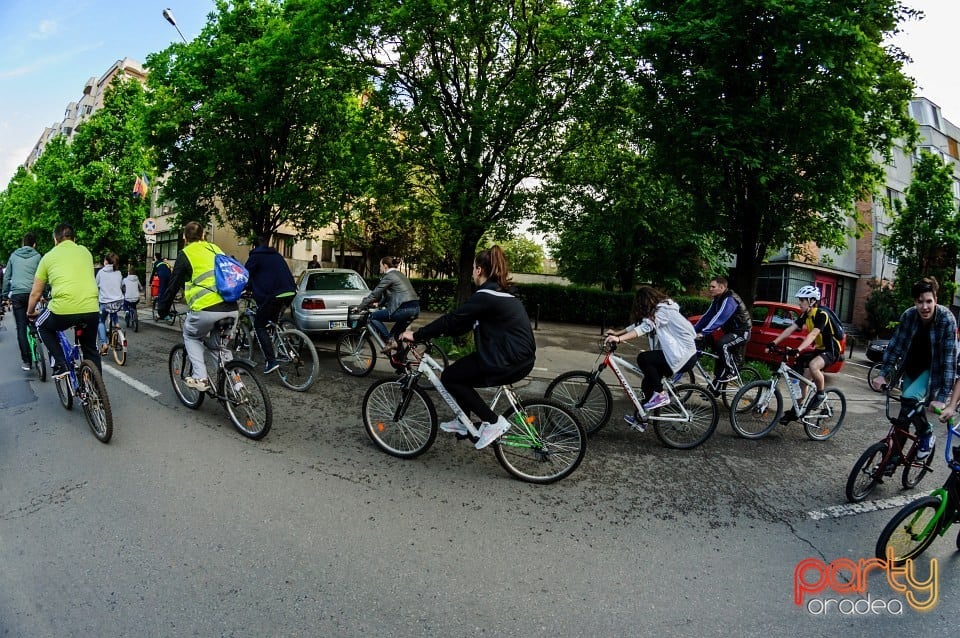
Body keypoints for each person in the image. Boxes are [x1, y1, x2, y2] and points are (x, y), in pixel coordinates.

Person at [400, 246, 535, 450]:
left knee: (450, 377)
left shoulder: (486, 296)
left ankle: (493, 422)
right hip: (514, 358)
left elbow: (452, 319)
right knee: (458, 375)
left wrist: (416, 334)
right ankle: (464, 422)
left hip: (507, 359)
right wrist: (433, 334)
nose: (472, 272)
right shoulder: (498, 293)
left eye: (473, 268)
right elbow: (460, 325)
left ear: (479, 270)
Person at [872, 277, 957, 459]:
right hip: (910, 368)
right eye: (920, 302)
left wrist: (942, 397)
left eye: (929, 301)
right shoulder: (909, 316)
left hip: (932, 371)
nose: (925, 307)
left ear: (936, 299)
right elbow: (896, 345)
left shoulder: (946, 319)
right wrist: (883, 374)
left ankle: (926, 432)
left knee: (910, 399)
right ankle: (891, 460)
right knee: (904, 415)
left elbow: (950, 360)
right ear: (915, 302)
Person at [156, 221, 239, 392]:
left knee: (191, 336)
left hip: (206, 310)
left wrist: (163, 310)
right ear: (203, 235)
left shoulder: (185, 254)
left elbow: (173, 285)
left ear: (185, 238)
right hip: (231, 307)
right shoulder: (216, 249)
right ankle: (236, 384)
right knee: (219, 347)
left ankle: (200, 377)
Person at [605, 286, 698, 418]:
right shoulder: (658, 310)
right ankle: (642, 417)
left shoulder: (663, 311)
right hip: (678, 353)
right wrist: (617, 333)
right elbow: (638, 324)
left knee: (644, 358)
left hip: (684, 355)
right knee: (647, 383)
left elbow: (645, 327)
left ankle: (660, 394)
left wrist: (619, 339)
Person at [26, 223, 101, 376]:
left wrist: (30, 311)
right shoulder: (85, 252)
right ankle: (97, 390)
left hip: (62, 310)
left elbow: (36, 293)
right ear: (74, 239)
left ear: (55, 240)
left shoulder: (48, 257)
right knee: (90, 349)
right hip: (92, 308)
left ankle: (61, 364)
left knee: (41, 325)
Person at [767, 285, 841, 425]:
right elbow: (790, 329)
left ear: (812, 301)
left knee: (814, 366)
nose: (799, 303)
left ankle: (820, 393)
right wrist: (773, 342)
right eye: (800, 300)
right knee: (803, 381)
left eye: (802, 300)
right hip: (819, 350)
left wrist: (799, 349)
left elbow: (813, 334)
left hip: (831, 350)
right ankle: (797, 410)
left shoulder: (821, 315)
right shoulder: (805, 315)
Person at [244, 235, 297, 373]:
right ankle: (282, 348)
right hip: (290, 291)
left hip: (274, 294)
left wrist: (242, 289)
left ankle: (271, 360)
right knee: (272, 321)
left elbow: (245, 275)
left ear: (254, 246)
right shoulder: (276, 255)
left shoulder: (256, 255)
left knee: (259, 325)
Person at [692, 276, 752, 383]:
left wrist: (703, 333)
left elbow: (720, 318)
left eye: (713, 286)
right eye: (709, 286)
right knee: (719, 355)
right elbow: (707, 316)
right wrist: (692, 330)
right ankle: (716, 387)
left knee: (722, 344)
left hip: (742, 332)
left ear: (721, 287)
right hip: (731, 332)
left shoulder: (730, 299)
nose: (710, 289)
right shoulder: (717, 299)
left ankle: (731, 371)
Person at [358, 256, 420, 354]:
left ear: (385, 266)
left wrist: (359, 307)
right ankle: (401, 364)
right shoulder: (399, 274)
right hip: (415, 308)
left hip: (403, 309)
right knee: (396, 336)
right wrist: (379, 304)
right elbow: (390, 295)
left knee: (372, 317)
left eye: (380, 266)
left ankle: (390, 342)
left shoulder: (389, 276)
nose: (380, 268)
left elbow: (375, 294)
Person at [3, 232, 43, 371]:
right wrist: (44, 292)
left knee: (21, 327)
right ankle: (35, 333)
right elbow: (44, 276)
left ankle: (26, 361)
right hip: (34, 293)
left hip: (18, 295)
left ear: (22, 243)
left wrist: (4, 296)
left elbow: (6, 277)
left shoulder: (13, 256)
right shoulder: (38, 256)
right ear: (34, 244)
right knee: (34, 318)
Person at [95, 252, 124, 355]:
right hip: (119, 302)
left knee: (100, 321)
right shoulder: (119, 273)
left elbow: (96, 286)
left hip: (105, 302)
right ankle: (116, 323)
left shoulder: (101, 273)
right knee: (114, 306)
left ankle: (104, 344)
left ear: (106, 261)